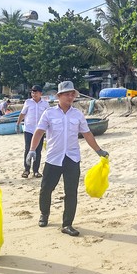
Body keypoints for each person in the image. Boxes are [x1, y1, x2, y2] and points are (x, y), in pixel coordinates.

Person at [26, 81, 108, 237]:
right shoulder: (49, 113)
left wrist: (99, 151)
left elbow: (87, 134)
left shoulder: (77, 114)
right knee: (46, 189)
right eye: (67, 94)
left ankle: (67, 224)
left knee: (71, 192)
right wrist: (32, 150)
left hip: (72, 158)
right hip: (53, 158)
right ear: (59, 96)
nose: (71, 97)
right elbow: (38, 132)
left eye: (73, 94)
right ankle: (44, 213)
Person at [16, 85, 50, 178]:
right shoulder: (28, 102)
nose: (34, 94)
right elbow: (22, 114)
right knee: (28, 149)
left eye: (36, 92)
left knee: (38, 150)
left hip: (40, 130)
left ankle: (36, 171)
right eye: (32, 92)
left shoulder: (45, 104)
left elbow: (49, 117)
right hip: (29, 130)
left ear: (40, 93)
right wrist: (18, 123)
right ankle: (26, 170)